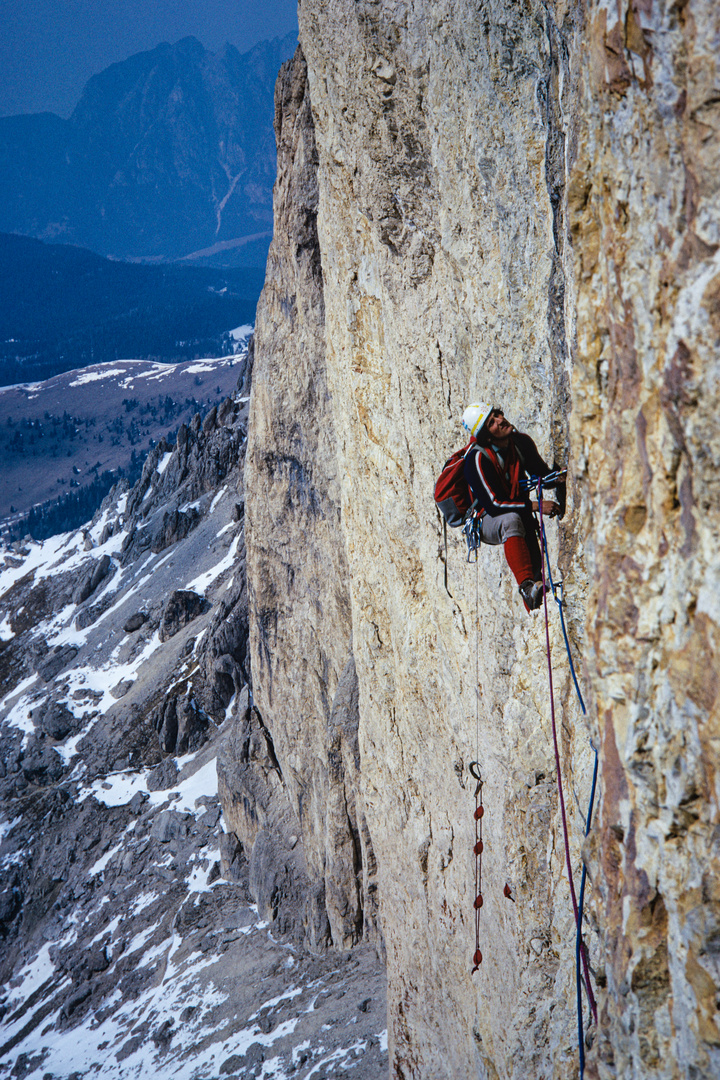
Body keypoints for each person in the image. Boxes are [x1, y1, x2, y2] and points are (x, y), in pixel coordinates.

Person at [462, 402, 565, 611]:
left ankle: (535, 599)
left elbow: (542, 477)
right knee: (511, 520)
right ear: (486, 435)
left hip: (518, 509)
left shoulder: (520, 443)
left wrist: (561, 476)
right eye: (492, 422)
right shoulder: (477, 459)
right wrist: (537, 506)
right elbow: (494, 505)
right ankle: (526, 588)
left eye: (497, 414)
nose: (501, 420)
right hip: (486, 520)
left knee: (536, 566)